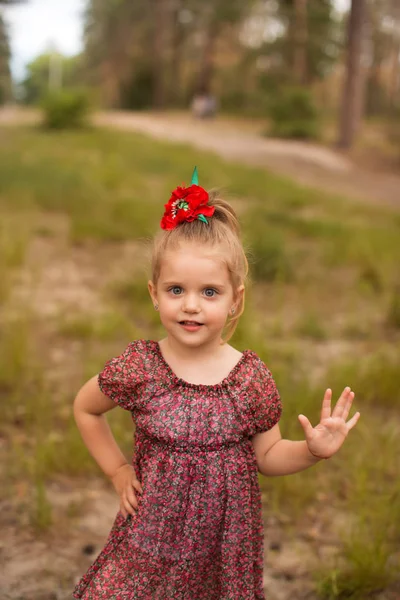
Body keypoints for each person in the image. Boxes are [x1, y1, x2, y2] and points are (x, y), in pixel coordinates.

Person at [72, 168, 360, 599]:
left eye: (209, 292)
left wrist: (312, 452)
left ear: (235, 299)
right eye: (175, 290)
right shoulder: (141, 369)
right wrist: (117, 470)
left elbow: (269, 455)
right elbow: (86, 407)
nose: (190, 305)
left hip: (221, 551)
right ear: (154, 293)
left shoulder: (249, 381)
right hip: (148, 538)